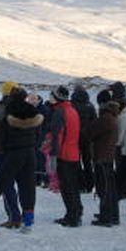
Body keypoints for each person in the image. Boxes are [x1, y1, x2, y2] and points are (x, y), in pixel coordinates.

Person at [0, 88, 42, 231]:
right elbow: (38, 134)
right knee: (28, 187)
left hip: (13, 153)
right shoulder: (33, 112)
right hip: (30, 153)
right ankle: (28, 221)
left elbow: (1, 136)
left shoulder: (9, 111)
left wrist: (2, 150)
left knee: (2, 182)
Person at [0, 81, 22, 228]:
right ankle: (25, 216)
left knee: (6, 184)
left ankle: (14, 216)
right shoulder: (25, 108)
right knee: (23, 184)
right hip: (21, 150)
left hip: (3, 150)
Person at [48, 85, 82, 226]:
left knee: (67, 187)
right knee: (73, 186)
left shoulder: (59, 112)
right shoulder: (72, 110)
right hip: (74, 152)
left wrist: (53, 156)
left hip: (64, 154)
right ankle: (77, 211)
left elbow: (57, 136)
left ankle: (72, 217)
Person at [89, 90, 120, 227]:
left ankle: (106, 216)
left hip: (102, 156)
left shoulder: (105, 118)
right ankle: (112, 214)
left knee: (104, 189)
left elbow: (89, 132)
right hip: (108, 156)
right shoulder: (112, 116)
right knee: (110, 188)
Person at [71, 85, 97, 193]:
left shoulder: (72, 105)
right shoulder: (90, 106)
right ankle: (90, 184)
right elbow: (94, 121)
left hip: (75, 137)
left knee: (76, 162)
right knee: (87, 162)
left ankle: (80, 184)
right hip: (87, 137)